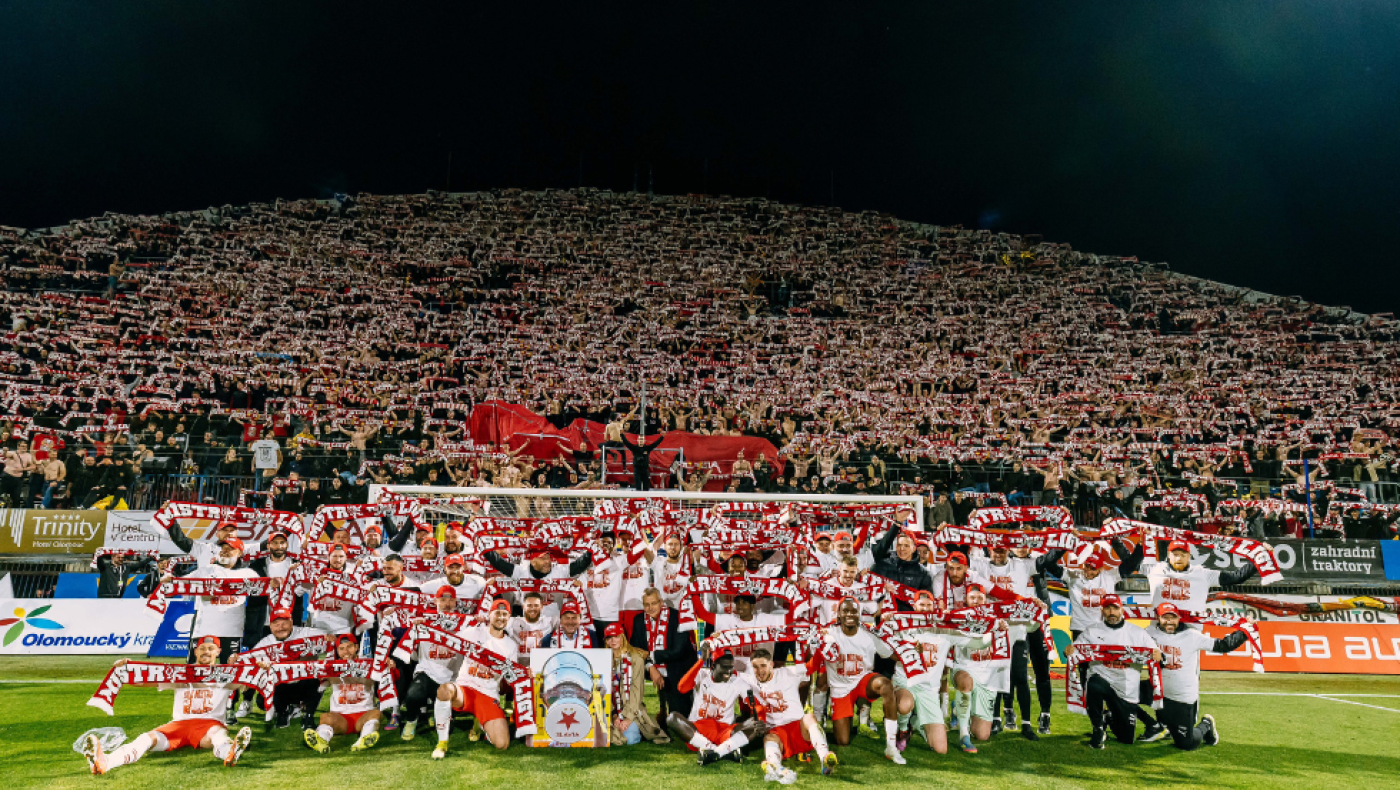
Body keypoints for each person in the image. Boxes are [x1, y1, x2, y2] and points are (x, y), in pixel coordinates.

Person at [80, 636, 254, 774]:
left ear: (218, 652)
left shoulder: (225, 675)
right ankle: (106, 762)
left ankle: (230, 752)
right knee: (147, 738)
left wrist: (256, 667)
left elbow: (248, 684)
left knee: (219, 736)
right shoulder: (180, 673)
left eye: (210, 648)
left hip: (208, 725)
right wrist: (128, 668)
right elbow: (142, 682)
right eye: (202, 648)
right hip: (178, 725)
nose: (206, 652)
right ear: (195, 651)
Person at [888, 591, 991, 755]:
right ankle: (903, 729)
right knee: (904, 705)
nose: (925, 609)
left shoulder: (945, 630)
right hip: (906, 683)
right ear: (914, 607)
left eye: (929, 605)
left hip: (929, 690)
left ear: (934, 607)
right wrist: (900, 646)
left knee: (941, 749)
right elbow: (884, 652)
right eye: (921, 605)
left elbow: (978, 643)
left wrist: (992, 631)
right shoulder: (903, 626)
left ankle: (917, 722)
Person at [1145, 602, 1248, 750]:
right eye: (1165, 617)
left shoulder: (1191, 636)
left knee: (1186, 744)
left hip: (1182, 698)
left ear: (1179, 618)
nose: (1169, 621)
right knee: (1118, 691)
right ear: (1158, 618)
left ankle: (1206, 725)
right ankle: (1154, 725)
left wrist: (1244, 632)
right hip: (1157, 691)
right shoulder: (1149, 632)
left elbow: (1223, 645)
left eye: (1172, 617)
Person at [810, 598, 901, 763]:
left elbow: (890, 655)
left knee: (885, 685)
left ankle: (891, 745)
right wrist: (817, 639)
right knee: (842, 741)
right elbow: (812, 657)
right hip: (840, 689)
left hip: (862, 682)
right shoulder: (829, 633)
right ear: (838, 614)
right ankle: (833, 721)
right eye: (845, 611)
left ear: (860, 614)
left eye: (853, 611)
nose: (850, 614)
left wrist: (912, 651)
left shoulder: (870, 634)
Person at [1070, 594, 1162, 748]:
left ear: (1122, 610)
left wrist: (1158, 655)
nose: (1111, 612)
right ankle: (1098, 728)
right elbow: (1077, 649)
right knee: (1093, 684)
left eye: (1115, 608)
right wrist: (1071, 649)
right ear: (1102, 611)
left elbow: (1156, 654)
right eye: (1107, 608)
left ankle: (1108, 717)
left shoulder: (1137, 633)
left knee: (1126, 738)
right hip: (1102, 680)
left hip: (1126, 691)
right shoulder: (1092, 631)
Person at [432, 598, 518, 757]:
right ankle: (442, 742)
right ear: (489, 615)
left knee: (502, 744)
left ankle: (481, 723)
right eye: (497, 613)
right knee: (444, 690)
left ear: (509, 618)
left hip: (488, 693)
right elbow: (448, 637)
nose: (500, 617)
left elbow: (511, 678)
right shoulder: (474, 631)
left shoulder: (511, 646)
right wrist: (423, 623)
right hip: (465, 689)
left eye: (505, 614)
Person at [742, 647, 834, 782]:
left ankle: (825, 757)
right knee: (769, 737)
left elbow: (812, 665)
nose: (760, 671)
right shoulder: (749, 680)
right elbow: (725, 672)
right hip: (777, 732)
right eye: (755, 667)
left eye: (763, 666)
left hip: (798, 728)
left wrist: (821, 646)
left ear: (771, 664)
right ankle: (774, 765)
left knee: (809, 717)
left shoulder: (788, 673)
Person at [668, 645, 771, 765]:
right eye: (724, 667)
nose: (728, 672)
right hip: (699, 731)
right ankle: (721, 751)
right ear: (713, 665)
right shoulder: (702, 673)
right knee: (672, 718)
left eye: (731, 667)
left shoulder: (738, 682)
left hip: (725, 732)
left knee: (755, 723)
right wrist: (701, 661)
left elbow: (756, 705)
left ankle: (713, 753)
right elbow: (682, 688)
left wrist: (761, 720)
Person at [946, 583, 1012, 752]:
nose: (976, 601)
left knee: (982, 735)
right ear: (966, 600)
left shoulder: (997, 618)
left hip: (987, 679)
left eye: (980, 598)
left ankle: (957, 707)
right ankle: (963, 735)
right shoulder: (958, 618)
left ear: (986, 600)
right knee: (965, 682)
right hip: (965, 670)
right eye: (972, 597)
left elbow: (1031, 624)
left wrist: (1037, 606)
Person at [400, 587, 465, 742]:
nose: (447, 603)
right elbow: (412, 655)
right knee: (413, 695)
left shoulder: (464, 625)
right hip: (427, 673)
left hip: (452, 679)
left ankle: (435, 714)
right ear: (435, 601)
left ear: (456, 602)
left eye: (450, 599)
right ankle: (411, 720)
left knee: (448, 727)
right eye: (442, 599)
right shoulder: (422, 622)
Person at [247, 608, 327, 730]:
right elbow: (251, 661)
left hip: (305, 683)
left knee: (319, 676)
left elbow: (330, 640)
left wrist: (330, 639)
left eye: (284, 623)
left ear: (291, 622)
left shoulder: (307, 633)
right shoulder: (266, 642)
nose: (281, 628)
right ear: (270, 626)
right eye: (276, 624)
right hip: (282, 686)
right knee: (262, 700)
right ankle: (283, 711)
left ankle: (309, 715)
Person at [303, 634, 383, 753]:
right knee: (326, 717)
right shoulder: (331, 667)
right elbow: (317, 686)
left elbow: (392, 677)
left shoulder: (370, 665)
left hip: (364, 715)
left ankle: (364, 739)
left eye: (349, 646)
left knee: (376, 713)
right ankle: (321, 740)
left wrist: (390, 666)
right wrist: (322, 673)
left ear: (356, 647)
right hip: (341, 718)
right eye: (341, 648)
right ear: (337, 651)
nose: (346, 651)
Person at [629, 587, 698, 722]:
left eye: (654, 603)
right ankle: (639, 716)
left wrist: (650, 655)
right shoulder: (638, 620)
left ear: (661, 602)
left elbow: (678, 651)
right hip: (652, 667)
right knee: (632, 666)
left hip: (678, 668)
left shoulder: (677, 617)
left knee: (679, 717)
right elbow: (635, 650)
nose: (650, 608)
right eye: (646, 605)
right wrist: (651, 667)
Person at [605, 623, 670, 745]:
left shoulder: (636, 659)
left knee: (629, 740)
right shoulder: (604, 659)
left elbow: (636, 690)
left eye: (616, 636)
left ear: (622, 637)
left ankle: (638, 728)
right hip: (611, 710)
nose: (613, 641)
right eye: (609, 638)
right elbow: (605, 691)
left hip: (632, 709)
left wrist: (628, 719)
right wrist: (614, 716)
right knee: (607, 737)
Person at [1148, 540, 1259, 611]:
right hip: (1161, 629)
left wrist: (1258, 558)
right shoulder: (1155, 569)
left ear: (1189, 556)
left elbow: (1236, 577)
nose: (1178, 558)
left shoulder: (1202, 573)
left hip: (1190, 632)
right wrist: (1139, 544)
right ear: (1168, 555)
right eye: (1175, 554)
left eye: (1183, 555)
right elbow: (1131, 565)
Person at [506, 591, 556, 666]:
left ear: (541, 606)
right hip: (518, 666)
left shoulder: (549, 621)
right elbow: (492, 620)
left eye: (536, 605)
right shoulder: (513, 622)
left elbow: (572, 620)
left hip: (540, 666)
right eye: (529, 605)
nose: (532, 608)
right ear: (523, 607)